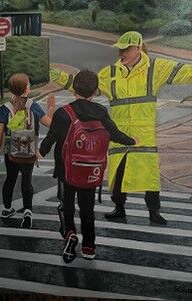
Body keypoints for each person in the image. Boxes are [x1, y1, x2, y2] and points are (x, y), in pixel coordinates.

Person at [49, 31, 192, 226]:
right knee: (119, 174)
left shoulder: (155, 68)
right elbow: (83, 87)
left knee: (150, 176)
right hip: (119, 133)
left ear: (138, 48)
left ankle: (154, 212)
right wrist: (57, 76)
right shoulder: (110, 73)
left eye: (126, 49)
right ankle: (119, 209)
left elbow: (182, 72)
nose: (121, 53)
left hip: (144, 135)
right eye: (120, 49)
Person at [38, 70, 136, 263]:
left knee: (67, 204)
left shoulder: (63, 112)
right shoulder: (101, 112)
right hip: (91, 170)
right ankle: (89, 246)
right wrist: (132, 141)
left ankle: (70, 233)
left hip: (66, 169)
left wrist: (39, 153)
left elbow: (50, 139)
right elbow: (115, 134)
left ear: (74, 89)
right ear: (96, 91)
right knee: (87, 209)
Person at [0, 73, 55, 229]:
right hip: (29, 150)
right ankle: (27, 211)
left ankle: (7, 209)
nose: (29, 86)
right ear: (25, 88)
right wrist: (51, 109)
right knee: (27, 181)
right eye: (28, 84)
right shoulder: (33, 106)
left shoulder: (3, 109)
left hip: (10, 152)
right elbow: (50, 124)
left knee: (10, 179)